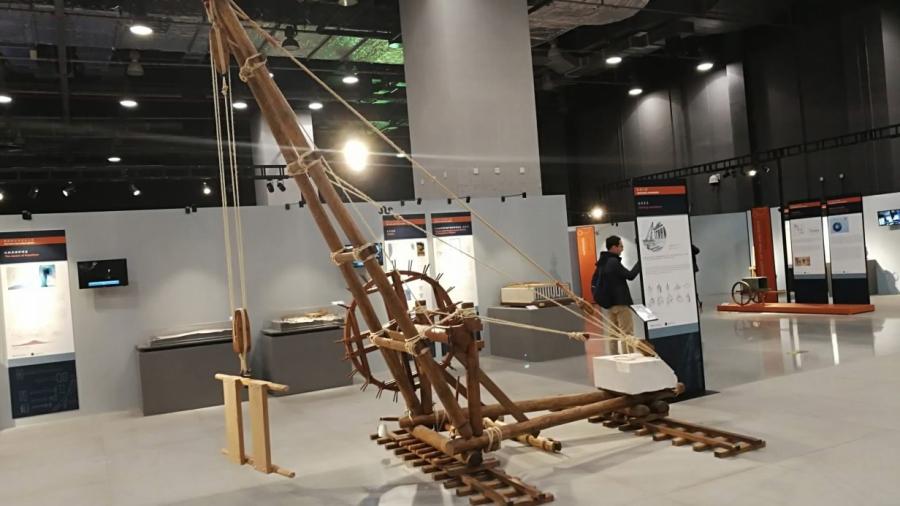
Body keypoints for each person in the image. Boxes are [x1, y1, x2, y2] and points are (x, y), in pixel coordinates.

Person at [593, 235, 641, 335]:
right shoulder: (613, 262)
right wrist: (641, 261)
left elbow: (594, 281)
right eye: (621, 246)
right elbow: (630, 275)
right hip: (621, 303)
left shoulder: (602, 262)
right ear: (614, 247)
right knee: (627, 334)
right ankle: (628, 348)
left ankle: (614, 347)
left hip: (610, 305)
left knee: (613, 335)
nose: (622, 249)